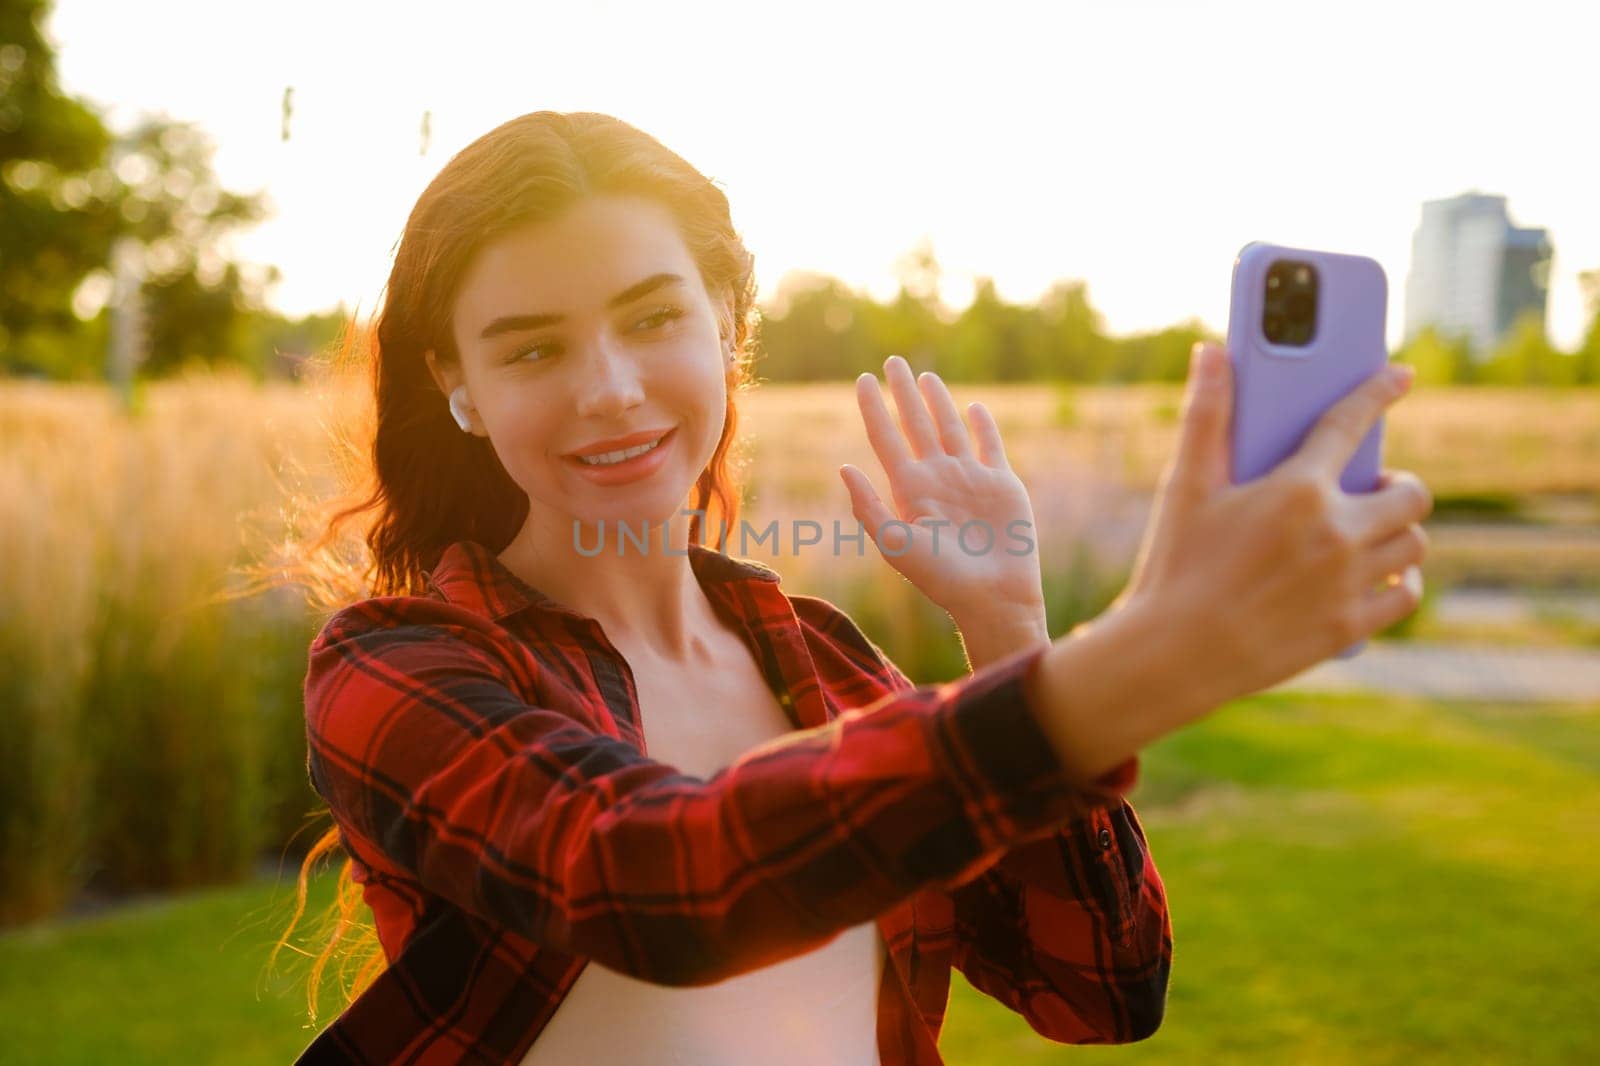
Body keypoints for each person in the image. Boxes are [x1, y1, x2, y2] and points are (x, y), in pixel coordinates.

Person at [272, 110, 1430, 1065]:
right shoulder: (396, 665)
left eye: (653, 318)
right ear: (455, 381)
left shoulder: (826, 672)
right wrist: (1135, 659)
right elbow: (652, 879)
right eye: (533, 349)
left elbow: (1103, 990)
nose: (612, 388)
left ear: (727, 325)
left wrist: (1011, 631)